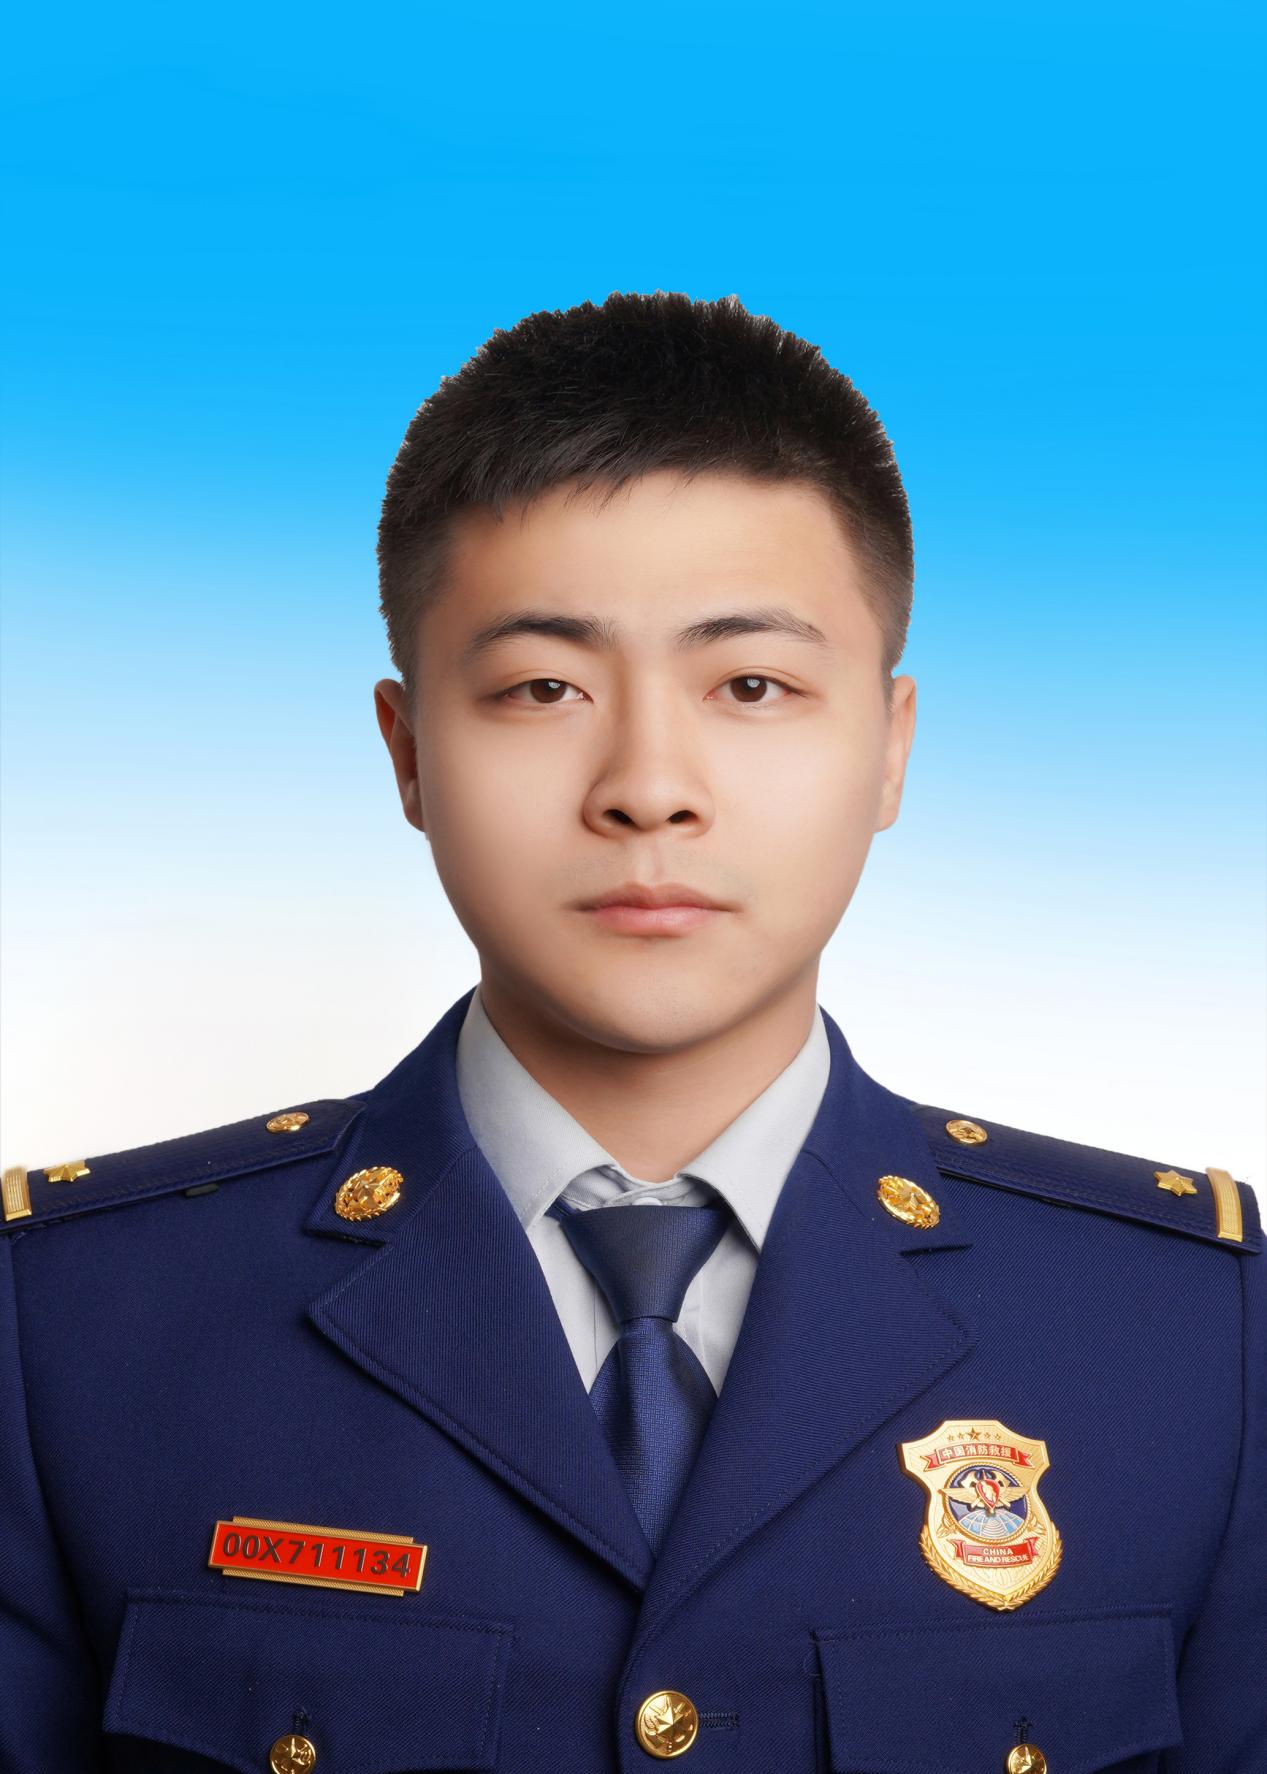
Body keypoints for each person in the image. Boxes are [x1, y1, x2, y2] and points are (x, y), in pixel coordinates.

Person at [1, 290, 1261, 1774]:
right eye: (544, 687)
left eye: (752, 685)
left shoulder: (1193, 1335)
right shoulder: (71, 1323)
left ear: (890, 746)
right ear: (408, 753)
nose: (648, 785)